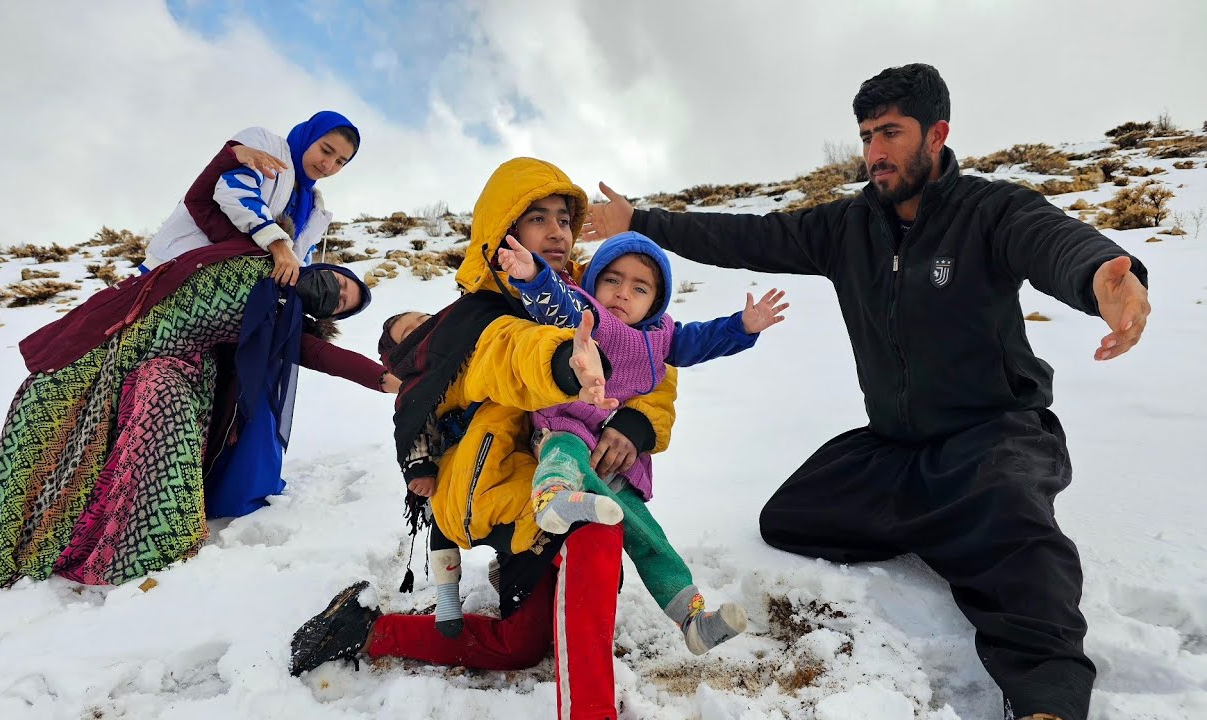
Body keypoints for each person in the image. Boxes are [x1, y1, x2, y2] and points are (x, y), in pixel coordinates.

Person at [584, 63, 1152, 720]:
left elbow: (1050, 239)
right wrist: (641, 219)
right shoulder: (846, 228)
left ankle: (1046, 700)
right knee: (790, 515)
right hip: (900, 446)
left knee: (1018, 531)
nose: (874, 152)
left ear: (936, 134)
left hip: (995, 434)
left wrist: (1102, 278)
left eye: (891, 133)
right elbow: (748, 235)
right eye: (865, 136)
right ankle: (959, 524)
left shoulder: (988, 211)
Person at [289, 157, 678, 720]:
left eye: (563, 219)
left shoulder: (586, 292)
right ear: (503, 229)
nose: (556, 232)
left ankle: (372, 630)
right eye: (537, 218)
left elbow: (654, 362)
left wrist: (635, 424)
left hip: (554, 471)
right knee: (595, 520)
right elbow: (510, 355)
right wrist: (569, 362)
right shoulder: (478, 315)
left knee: (521, 646)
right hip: (494, 481)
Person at [404, 229, 784, 655]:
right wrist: (533, 276)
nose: (622, 293)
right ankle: (552, 499)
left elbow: (700, 340)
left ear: (656, 302)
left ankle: (691, 619)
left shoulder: (660, 337)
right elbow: (557, 303)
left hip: (608, 454)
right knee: (564, 450)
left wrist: (742, 327)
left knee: (646, 533)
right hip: (561, 425)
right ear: (595, 281)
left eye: (639, 288)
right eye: (612, 280)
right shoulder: (589, 315)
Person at [0, 239, 381, 602]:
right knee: (40, 409)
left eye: (343, 304)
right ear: (329, 267)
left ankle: (130, 540)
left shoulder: (283, 322)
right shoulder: (258, 247)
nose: (338, 293)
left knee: (151, 406)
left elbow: (326, 356)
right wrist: (274, 232)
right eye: (344, 284)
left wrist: (383, 379)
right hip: (112, 342)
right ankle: (7, 541)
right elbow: (212, 196)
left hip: (173, 367)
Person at [142, 111, 361, 287]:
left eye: (340, 162)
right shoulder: (266, 145)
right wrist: (276, 243)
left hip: (219, 292)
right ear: (310, 135)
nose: (328, 165)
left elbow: (297, 259)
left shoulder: (312, 206)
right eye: (326, 150)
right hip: (174, 265)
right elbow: (233, 190)